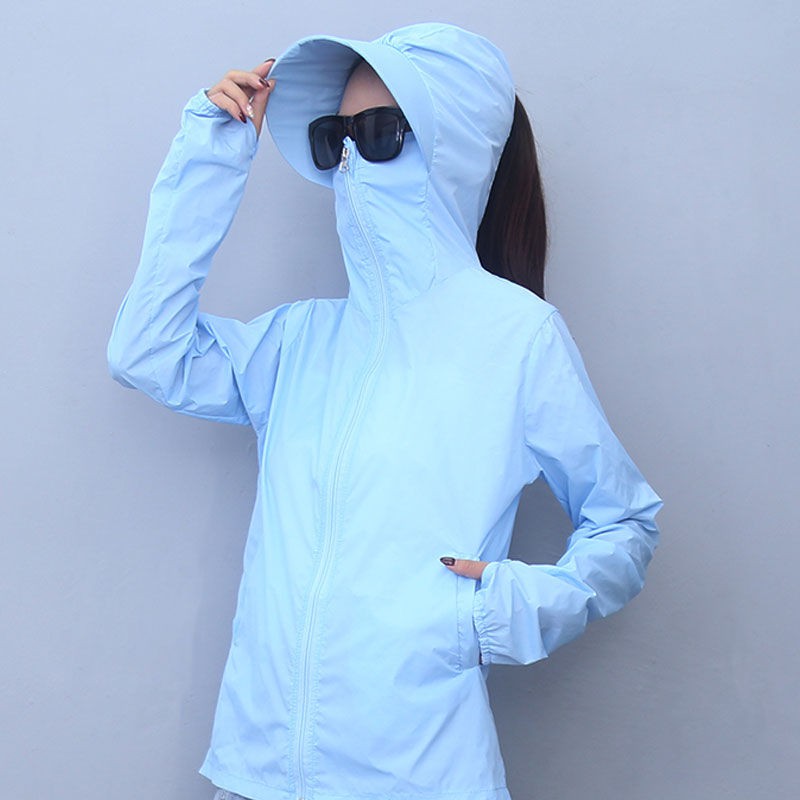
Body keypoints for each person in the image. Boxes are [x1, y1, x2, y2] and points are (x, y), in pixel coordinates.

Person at [107, 22, 662, 800]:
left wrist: (506, 609)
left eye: (377, 132)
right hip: (256, 770)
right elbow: (146, 352)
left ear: (451, 149)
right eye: (334, 137)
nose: (348, 159)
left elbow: (626, 523)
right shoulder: (299, 341)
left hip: (417, 776)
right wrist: (211, 158)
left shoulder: (516, 337)